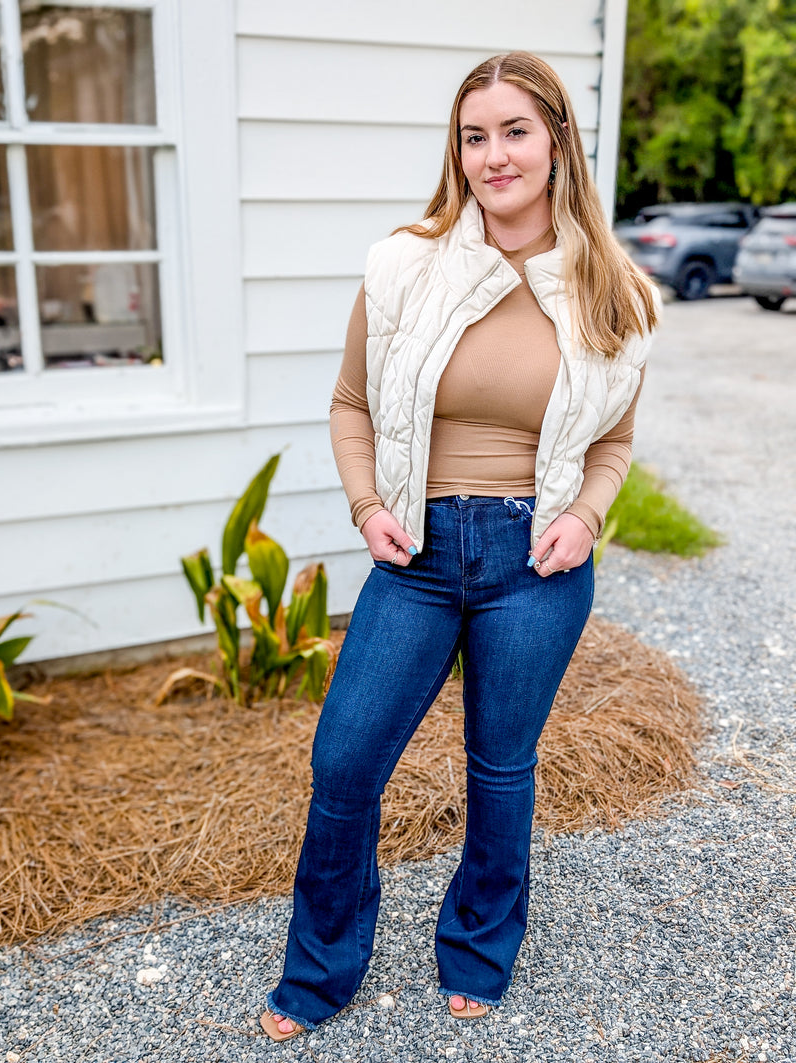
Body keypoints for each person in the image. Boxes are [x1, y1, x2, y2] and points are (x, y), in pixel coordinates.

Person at [261, 51, 660, 1042]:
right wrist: (364, 507)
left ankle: (478, 948)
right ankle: (319, 969)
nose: (492, 156)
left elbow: (610, 440)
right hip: (418, 554)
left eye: (513, 132)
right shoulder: (401, 263)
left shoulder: (617, 292)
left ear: (558, 139)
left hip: (536, 560)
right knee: (345, 759)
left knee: (499, 768)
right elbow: (351, 402)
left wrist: (586, 516)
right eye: (472, 136)